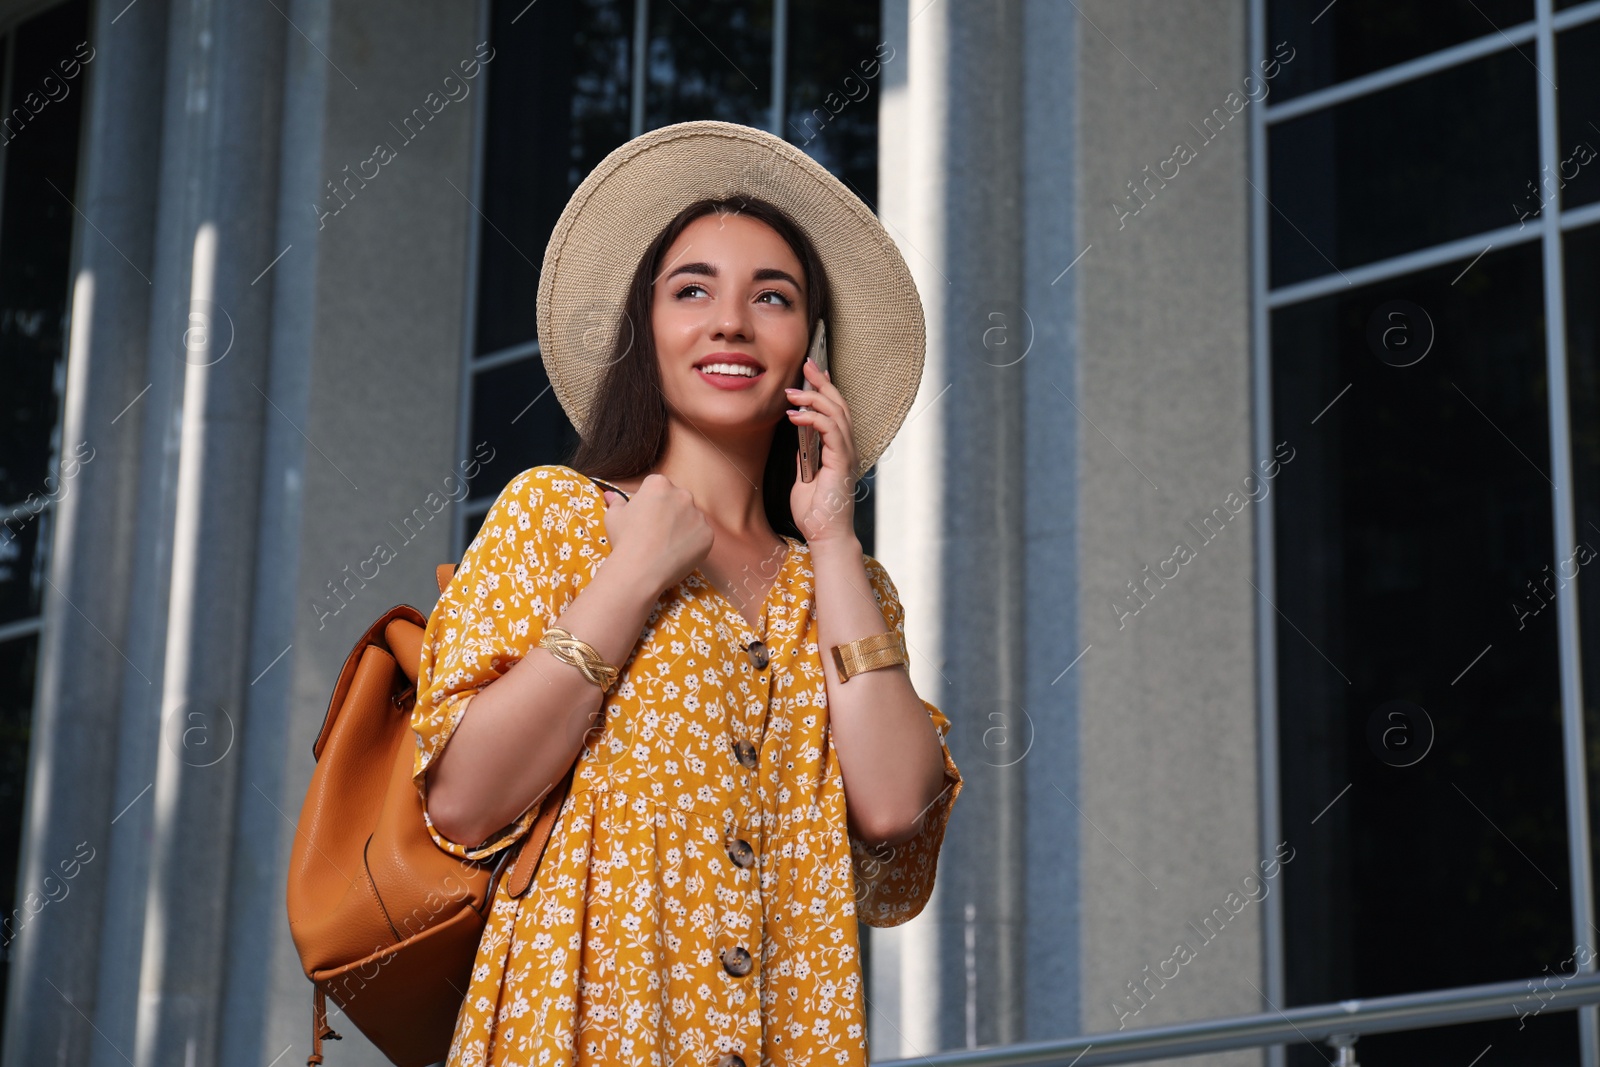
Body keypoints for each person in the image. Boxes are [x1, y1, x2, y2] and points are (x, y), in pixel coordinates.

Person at [409, 120, 962, 1067]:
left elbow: (894, 806)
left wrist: (831, 535)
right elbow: (462, 802)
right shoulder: (557, 515)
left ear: (810, 350)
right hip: (583, 1032)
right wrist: (631, 575)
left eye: (773, 298)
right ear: (646, 329)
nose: (731, 322)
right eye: (692, 289)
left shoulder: (845, 584)